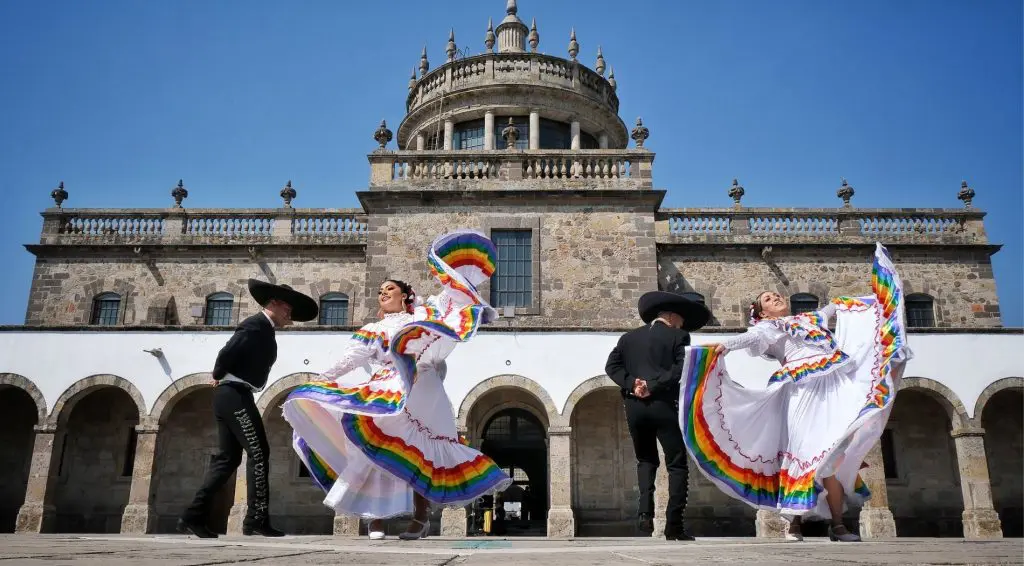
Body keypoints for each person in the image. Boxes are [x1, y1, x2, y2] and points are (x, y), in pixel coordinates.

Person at [282, 231, 512, 540]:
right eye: (379, 291)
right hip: (388, 388)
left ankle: (420, 518)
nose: (382, 294)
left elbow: (452, 296)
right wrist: (324, 379)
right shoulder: (373, 328)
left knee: (422, 454)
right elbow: (351, 358)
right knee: (375, 448)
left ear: (405, 295)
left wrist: (456, 270)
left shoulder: (423, 314)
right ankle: (375, 518)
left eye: (389, 289)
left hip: (425, 387)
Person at [686, 243, 912, 542]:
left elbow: (840, 307)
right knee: (802, 450)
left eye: (776, 294)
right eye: (767, 298)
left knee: (830, 451)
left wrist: (881, 298)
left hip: (831, 386)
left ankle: (838, 524)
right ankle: (793, 524)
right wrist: (713, 348)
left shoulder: (810, 320)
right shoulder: (769, 328)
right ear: (761, 312)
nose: (775, 297)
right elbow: (743, 339)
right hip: (801, 390)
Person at [178, 279, 319, 539]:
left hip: (233, 394)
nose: (290, 316)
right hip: (234, 395)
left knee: (228, 459)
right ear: (274, 303)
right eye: (287, 309)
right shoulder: (255, 325)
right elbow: (227, 352)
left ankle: (193, 516)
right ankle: (256, 518)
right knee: (258, 452)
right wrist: (219, 373)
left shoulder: (264, 328)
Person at [605, 290, 712, 541]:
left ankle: (645, 514)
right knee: (676, 464)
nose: (682, 325)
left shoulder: (628, 338)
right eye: (681, 320)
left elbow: (611, 366)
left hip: (634, 407)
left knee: (645, 460)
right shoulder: (679, 335)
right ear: (673, 317)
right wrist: (652, 385)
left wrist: (633, 384)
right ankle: (673, 525)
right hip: (664, 405)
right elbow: (679, 369)